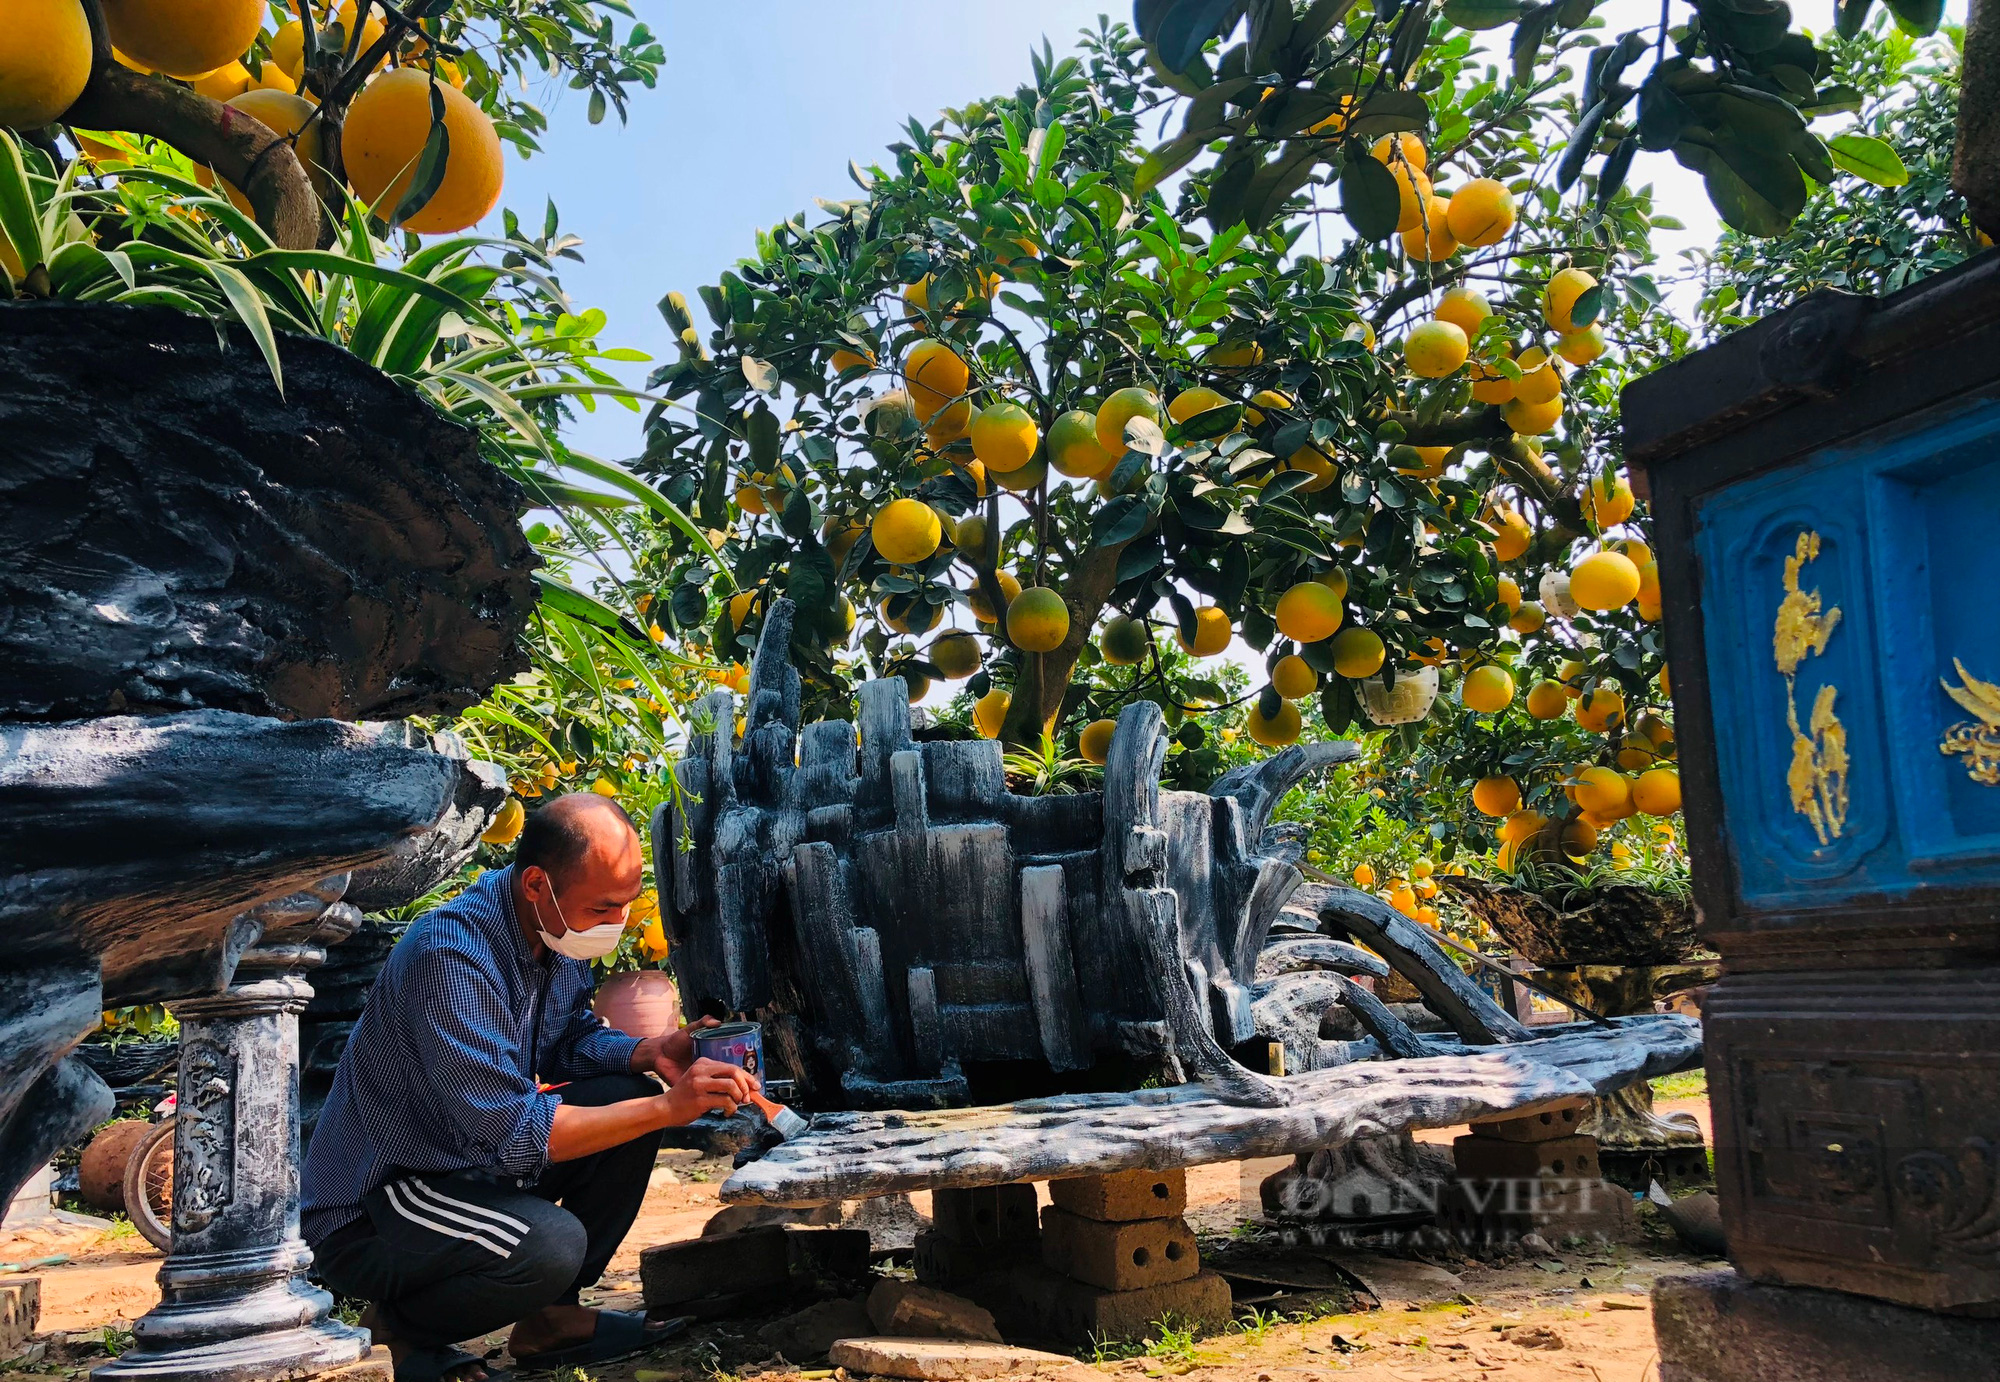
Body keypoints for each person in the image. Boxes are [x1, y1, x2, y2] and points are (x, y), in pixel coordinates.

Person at [301, 794, 755, 1382]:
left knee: (625, 1093)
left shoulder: (555, 930)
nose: (615, 924)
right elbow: (512, 1132)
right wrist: (669, 1106)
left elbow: (568, 1039)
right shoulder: (452, 956)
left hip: (467, 1162)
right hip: (382, 1199)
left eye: (624, 906)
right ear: (537, 883)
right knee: (549, 1246)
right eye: (602, 907)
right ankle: (406, 1331)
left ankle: (551, 1321)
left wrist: (649, 1051)